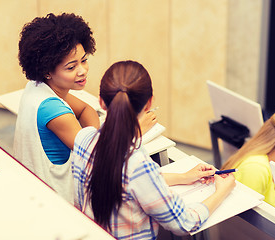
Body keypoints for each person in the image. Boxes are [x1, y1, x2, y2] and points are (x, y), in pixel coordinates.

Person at [71, 60, 236, 239]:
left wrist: (184, 177)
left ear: (101, 102)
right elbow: (184, 223)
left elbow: (124, 181)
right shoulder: (137, 164)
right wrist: (222, 191)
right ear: (149, 104)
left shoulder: (83, 138)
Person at [14, 13, 101, 203]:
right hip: (56, 202)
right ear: (47, 71)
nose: (82, 70)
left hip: (31, 189)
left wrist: (90, 138)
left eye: (84, 60)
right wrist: (135, 129)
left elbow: (87, 111)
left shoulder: (36, 88)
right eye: (71, 67)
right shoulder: (54, 110)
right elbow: (98, 156)